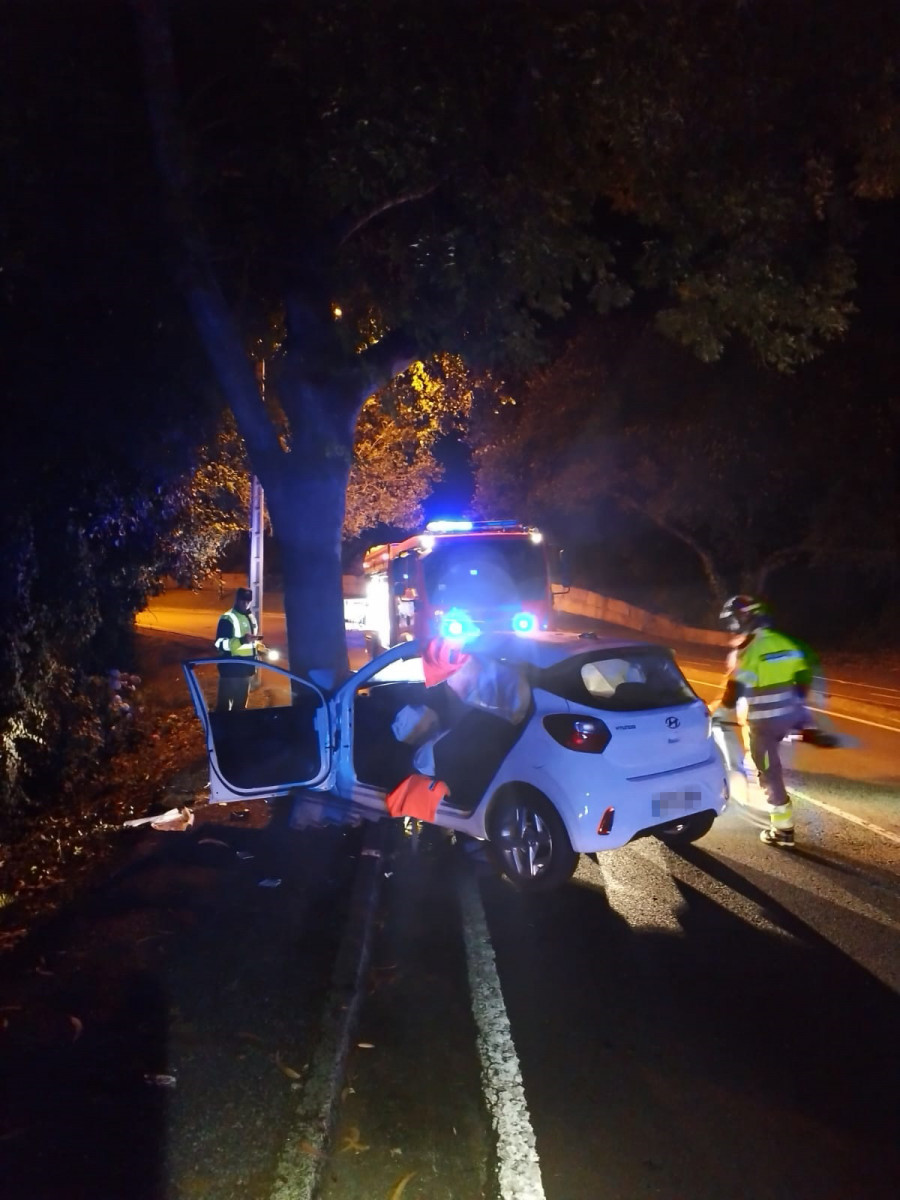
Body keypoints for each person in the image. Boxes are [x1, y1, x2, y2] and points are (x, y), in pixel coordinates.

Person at [718, 595, 815, 849]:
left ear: (743, 620)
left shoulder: (749, 648)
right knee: (773, 762)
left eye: (733, 621)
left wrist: (721, 711)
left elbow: (737, 685)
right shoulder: (785, 642)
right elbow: (804, 675)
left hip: (762, 723)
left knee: (768, 771)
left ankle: (782, 831)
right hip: (788, 719)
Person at [214, 586, 259, 712]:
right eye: (242, 601)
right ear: (237, 600)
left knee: (239, 709)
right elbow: (220, 644)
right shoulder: (228, 618)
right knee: (224, 708)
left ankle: (235, 731)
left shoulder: (250, 618)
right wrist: (242, 640)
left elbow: (250, 643)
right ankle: (222, 731)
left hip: (245, 671)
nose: (245, 604)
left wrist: (259, 648)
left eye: (248, 601)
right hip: (230, 671)